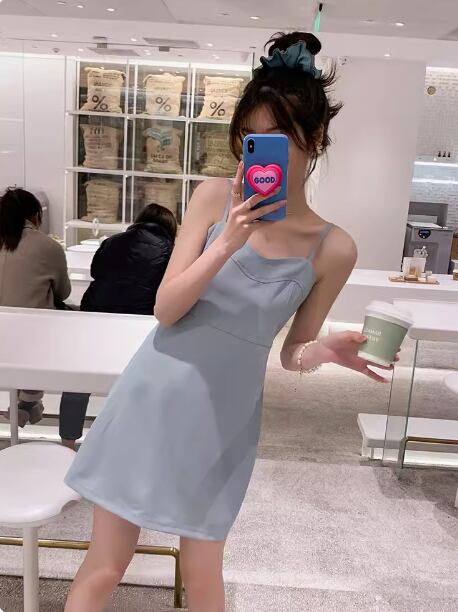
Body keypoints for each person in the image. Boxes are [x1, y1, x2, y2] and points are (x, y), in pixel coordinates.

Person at [64, 33, 395, 612]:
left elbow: (292, 351)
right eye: (249, 138)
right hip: (153, 396)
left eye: (277, 137)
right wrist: (226, 243)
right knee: (106, 566)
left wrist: (324, 350)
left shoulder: (334, 248)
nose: (258, 153)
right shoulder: (213, 197)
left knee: (204, 575)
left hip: (224, 421)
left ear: (315, 138)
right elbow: (167, 309)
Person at [59, 203, 177, 450]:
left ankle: (67, 442)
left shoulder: (112, 242)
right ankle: (128, 445)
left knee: (78, 380)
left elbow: (96, 270)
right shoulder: (169, 252)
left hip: (96, 316)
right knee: (138, 382)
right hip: (138, 324)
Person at [0, 187, 71, 427]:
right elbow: (63, 292)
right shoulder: (48, 246)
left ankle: (26, 402)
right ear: (34, 215)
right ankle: (28, 401)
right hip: (33, 331)